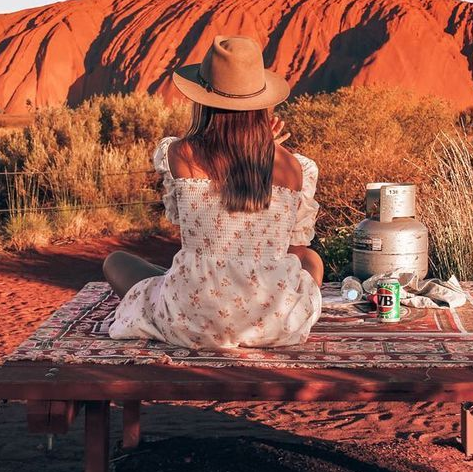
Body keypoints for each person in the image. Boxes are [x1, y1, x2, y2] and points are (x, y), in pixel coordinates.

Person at [104, 35, 324, 349]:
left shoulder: (179, 154)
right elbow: (297, 249)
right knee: (311, 259)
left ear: (202, 100)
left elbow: (184, 224)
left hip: (192, 318)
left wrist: (255, 149)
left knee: (116, 262)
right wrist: (267, 149)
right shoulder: (295, 167)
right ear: (261, 102)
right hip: (271, 322)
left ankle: (177, 289)